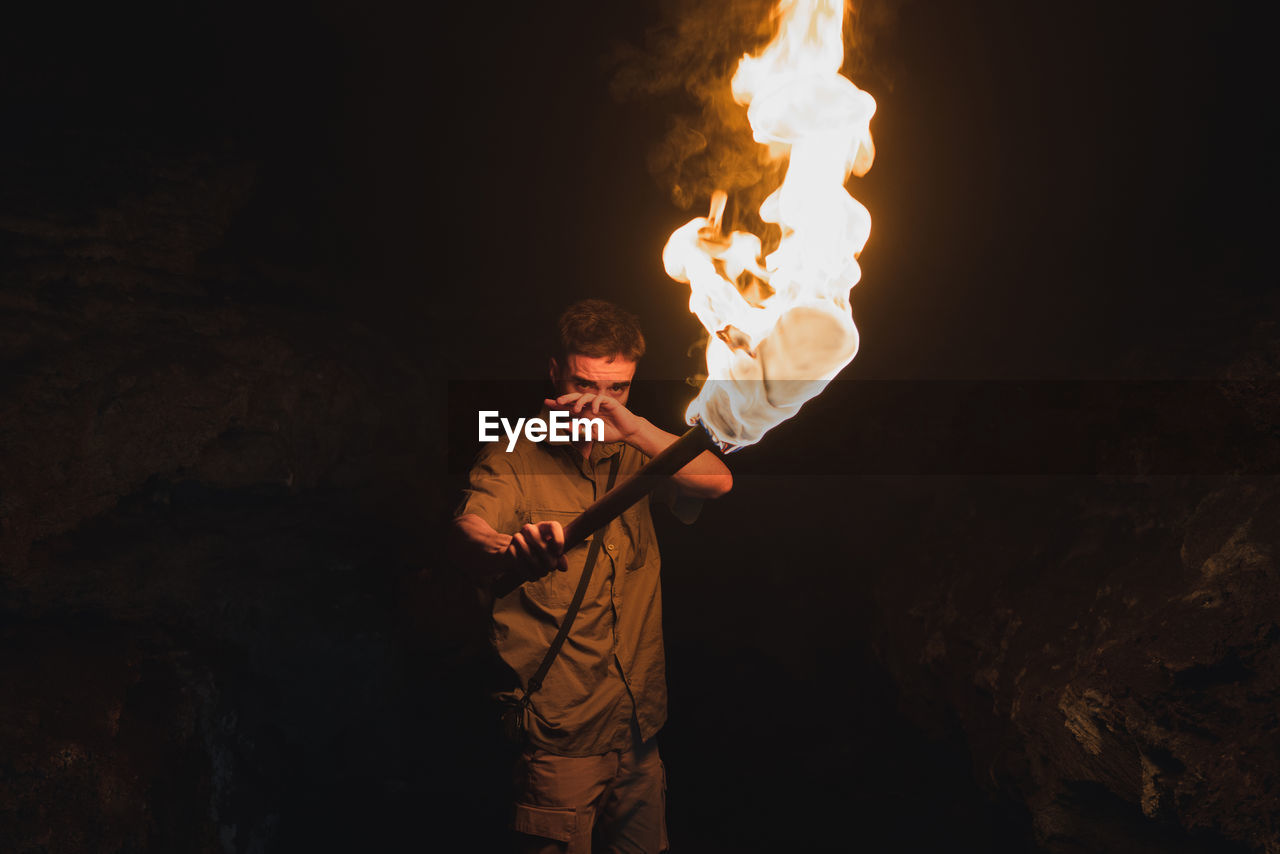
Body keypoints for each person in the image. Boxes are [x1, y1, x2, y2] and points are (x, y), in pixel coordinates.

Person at [453, 299, 732, 853]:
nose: (598, 403)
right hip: (560, 743)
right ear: (555, 372)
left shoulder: (635, 453)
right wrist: (511, 546)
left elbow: (717, 481)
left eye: (618, 388)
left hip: (639, 729)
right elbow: (470, 530)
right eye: (584, 382)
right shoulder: (513, 454)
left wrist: (634, 428)